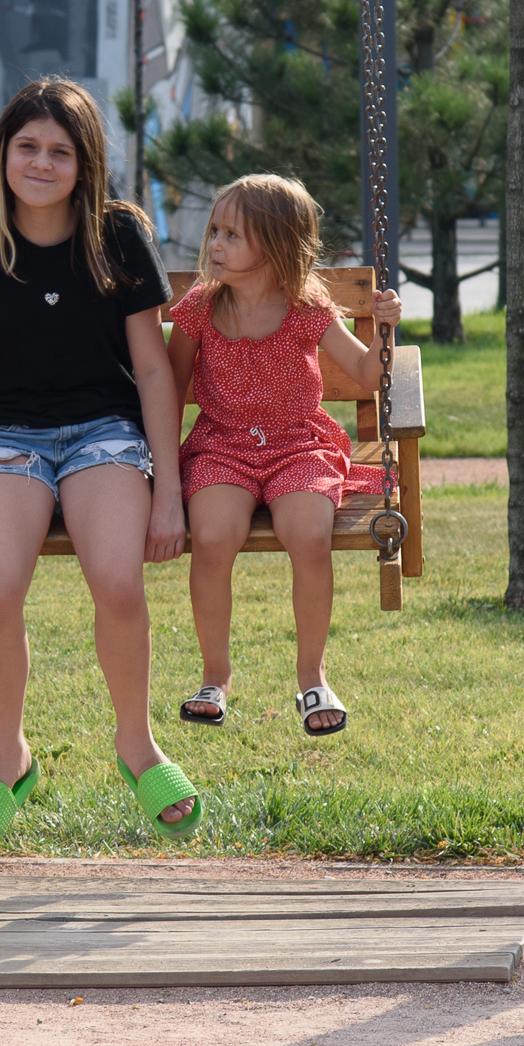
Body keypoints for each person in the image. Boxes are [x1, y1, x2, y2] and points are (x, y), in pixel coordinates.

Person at [0, 78, 200, 849]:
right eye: (27, 147)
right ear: (3, 154)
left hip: (104, 432)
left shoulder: (119, 236)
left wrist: (169, 493)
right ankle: (9, 756)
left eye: (59, 151)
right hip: (5, 437)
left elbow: (156, 370)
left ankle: (135, 742)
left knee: (117, 577)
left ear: (85, 161)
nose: (41, 163)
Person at [169, 174, 403, 736]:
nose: (215, 245)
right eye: (214, 231)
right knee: (214, 537)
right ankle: (215, 676)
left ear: (274, 246)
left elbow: (369, 374)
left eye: (232, 235)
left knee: (309, 535)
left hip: (299, 445)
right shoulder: (200, 308)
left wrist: (386, 330)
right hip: (221, 446)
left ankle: (312, 676)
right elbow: (168, 388)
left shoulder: (305, 309)